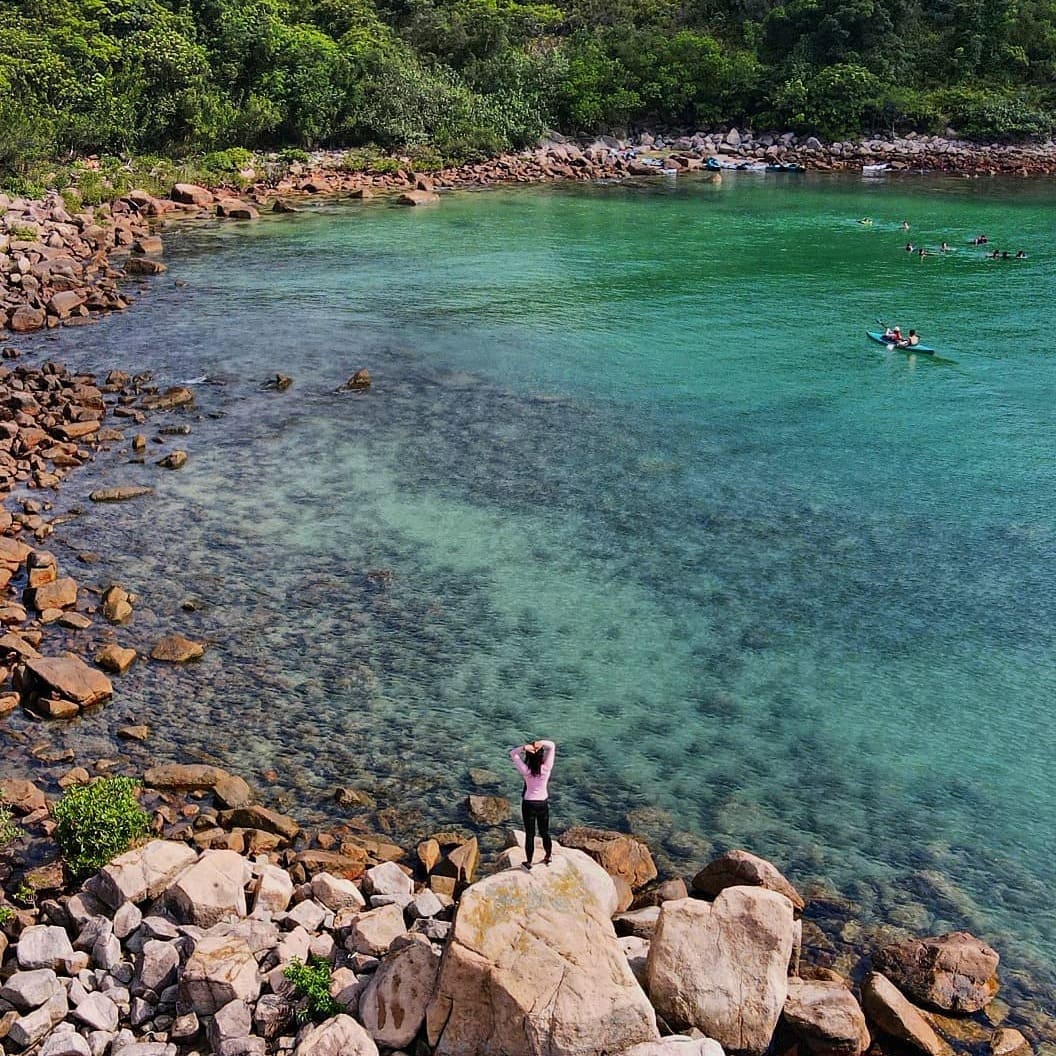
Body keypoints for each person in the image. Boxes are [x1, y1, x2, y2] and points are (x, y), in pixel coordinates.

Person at [509, 738, 556, 868]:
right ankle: (548, 857)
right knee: (545, 832)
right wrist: (540, 743)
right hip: (542, 803)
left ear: (528, 756)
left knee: (530, 834)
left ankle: (529, 862)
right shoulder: (546, 769)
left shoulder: (526, 771)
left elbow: (512, 753)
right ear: (541, 756)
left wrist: (524, 748)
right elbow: (552, 746)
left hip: (528, 803)